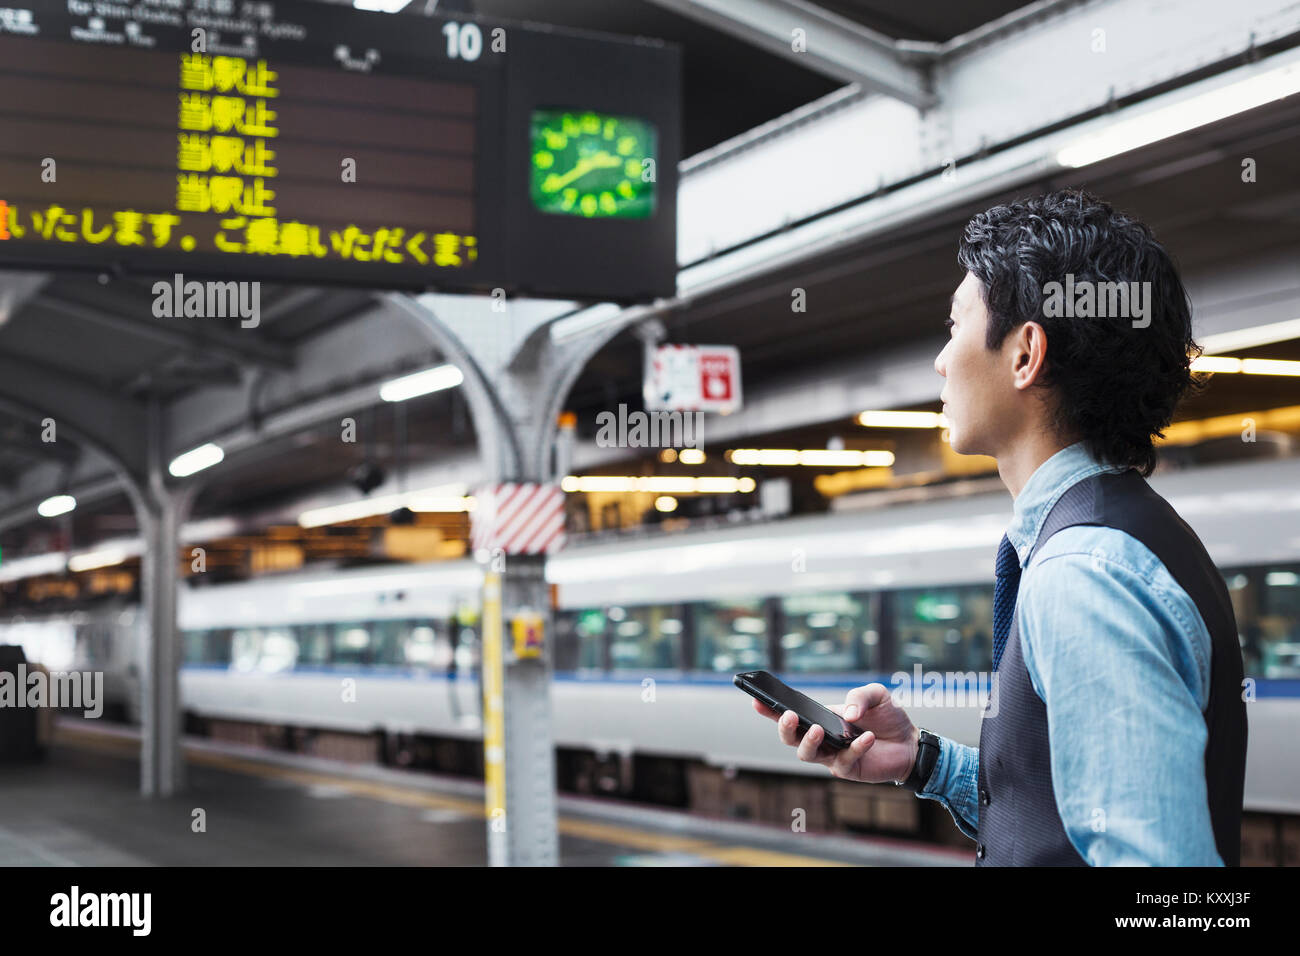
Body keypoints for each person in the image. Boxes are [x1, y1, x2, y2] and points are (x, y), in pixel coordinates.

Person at [754, 190, 1248, 866]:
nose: (940, 360)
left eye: (955, 325)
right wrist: (923, 761)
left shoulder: (1085, 574)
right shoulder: (1125, 535)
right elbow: (1061, 812)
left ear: (1025, 355)